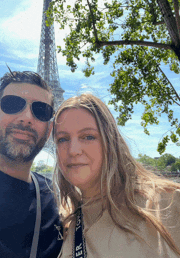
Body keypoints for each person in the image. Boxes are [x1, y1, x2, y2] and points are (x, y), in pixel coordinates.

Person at [52, 93, 180, 258]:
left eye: (88, 136)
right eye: (62, 139)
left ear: (110, 140)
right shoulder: (65, 223)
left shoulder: (168, 203)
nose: (73, 150)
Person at [0, 70, 63, 258]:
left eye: (41, 111)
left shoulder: (57, 201)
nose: (27, 117)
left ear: (48, 132)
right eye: (13, 104)